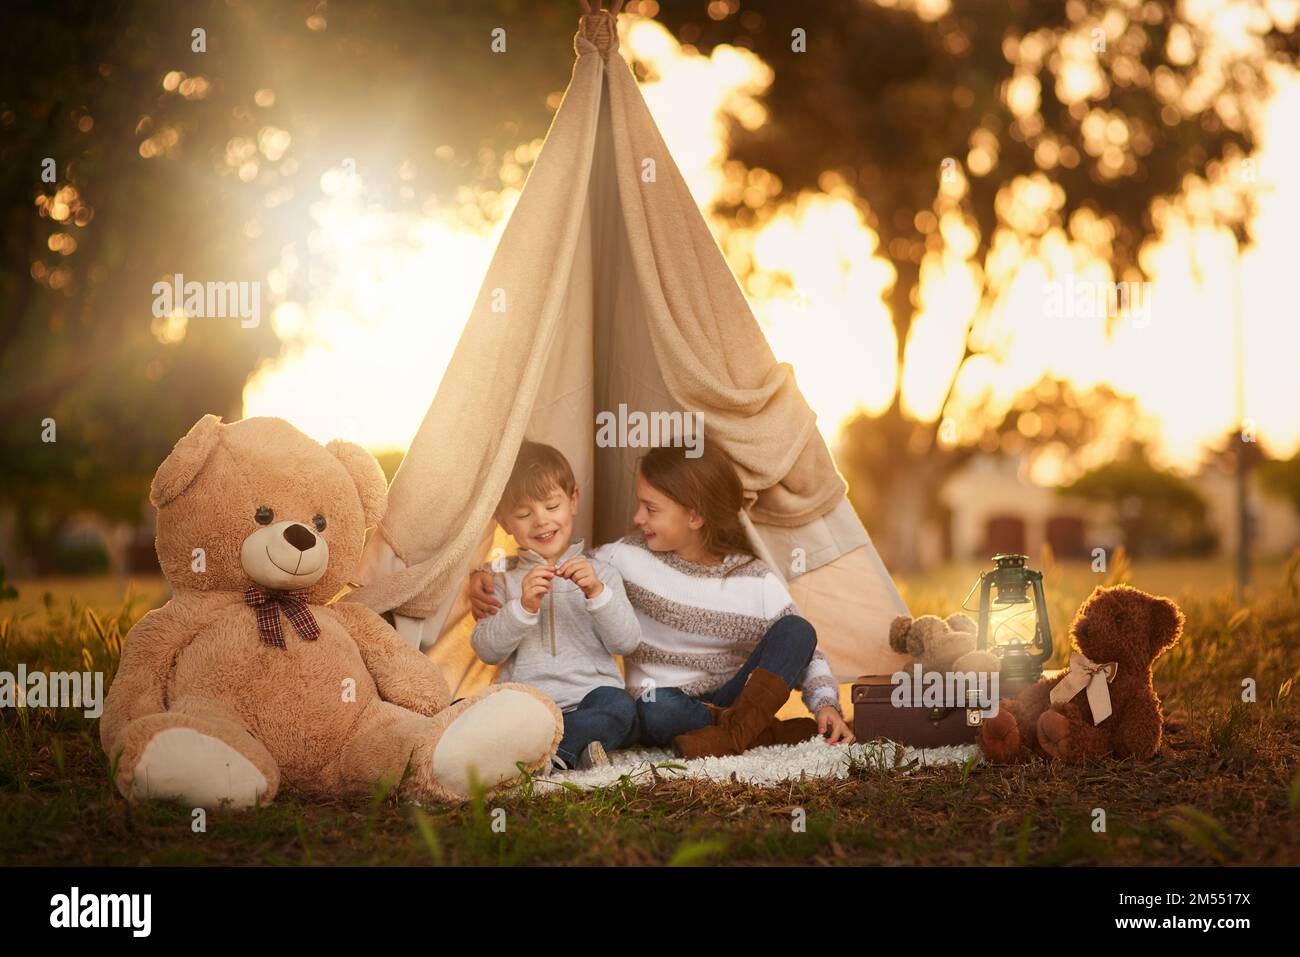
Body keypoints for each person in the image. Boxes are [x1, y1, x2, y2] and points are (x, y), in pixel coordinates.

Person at [471, 442, 855, 759]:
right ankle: (750, 733)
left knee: (797, 630)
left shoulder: (754, 579)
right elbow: (556, 562)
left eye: (651, 509)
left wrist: (825, 705)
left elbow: (806, 651)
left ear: (695, 516)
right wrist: (484, 574)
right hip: (663, 705)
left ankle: (729, 733)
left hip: (729, 698)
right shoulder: (622, 558)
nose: (637, 517)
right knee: (655, 708)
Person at [470, 441, 641, 771]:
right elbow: (488, 650)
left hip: (590, 701)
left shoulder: (602, 573)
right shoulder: (500, 579)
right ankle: (570, 750)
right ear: (504, 522)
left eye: (551, 506)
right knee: (474, 709)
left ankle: (548, 754)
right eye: (523, 514)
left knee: (621, 708)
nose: (540, 521)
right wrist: (522, 608)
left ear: (573, 501)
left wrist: (596, 592)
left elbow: (627, 642)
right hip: (528, 705)